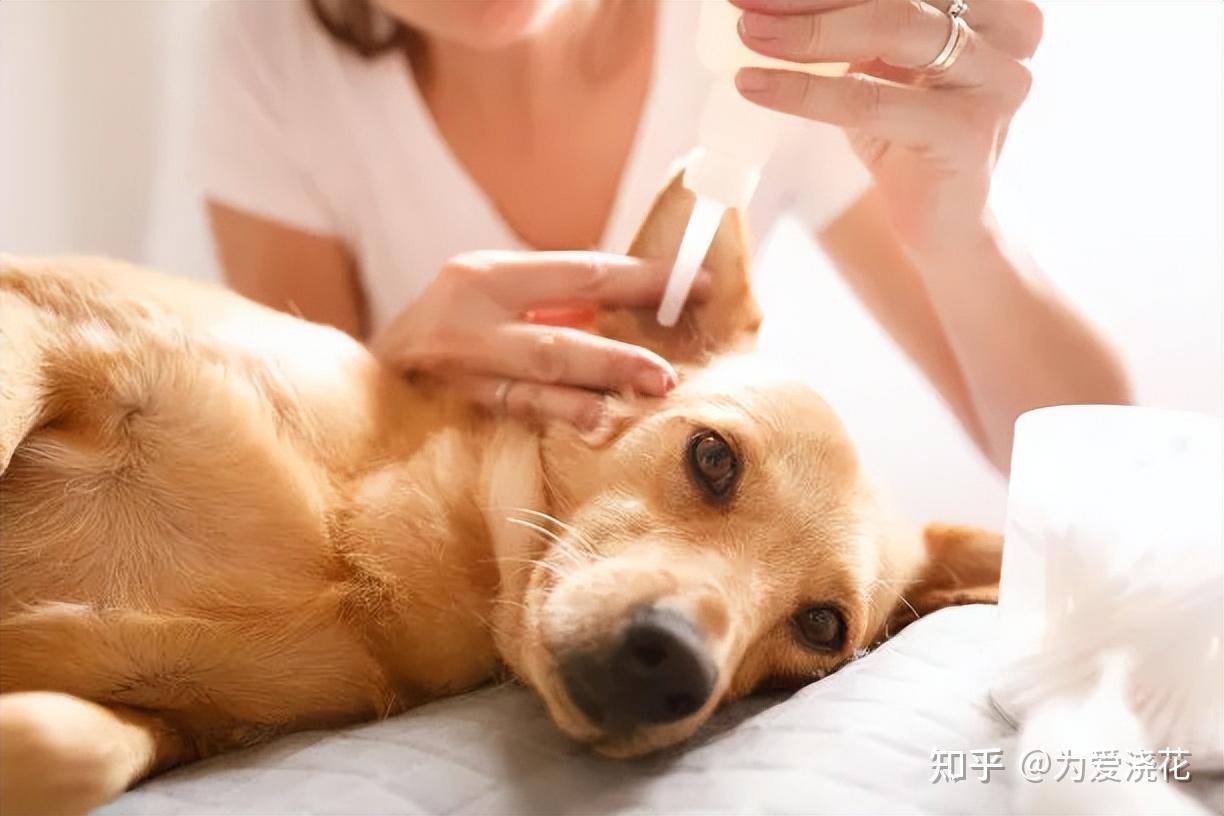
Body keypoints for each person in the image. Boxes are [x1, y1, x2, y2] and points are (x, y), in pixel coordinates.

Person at [200, 0, 1130, 472]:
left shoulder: (772, 33)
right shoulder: (269, 51)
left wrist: (959, 238)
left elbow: (1105, 469)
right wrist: (388, 380)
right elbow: (296, 481)